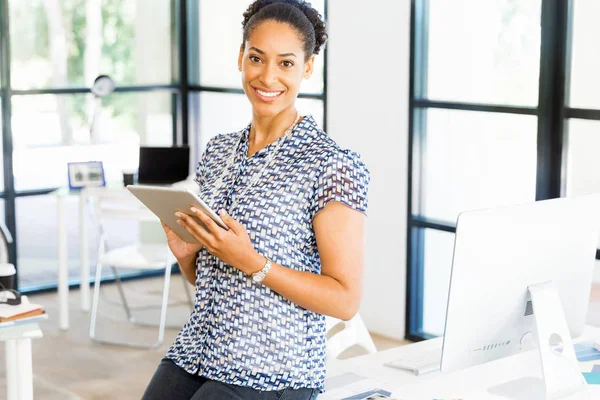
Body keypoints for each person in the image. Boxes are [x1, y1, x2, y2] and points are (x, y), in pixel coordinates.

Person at [142, 1, 370, 399]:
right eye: (257, 58)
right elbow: (216, 279)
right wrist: (187, 257)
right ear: (240, 58)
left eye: (285, 63)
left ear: (307, 67)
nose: (268, 76)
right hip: (197, 351)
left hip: (273, 371)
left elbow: (345, 299)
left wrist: (253, 263)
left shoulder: (330, 165)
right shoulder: (218, 152)